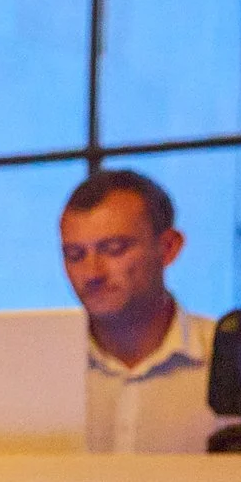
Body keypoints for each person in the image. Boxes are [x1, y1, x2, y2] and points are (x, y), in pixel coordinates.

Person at [60, 168, 224, 453]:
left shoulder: (231, 359)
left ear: (168, 247)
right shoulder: (45, 370)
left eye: (113, 249)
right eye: (75, 255)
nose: (92, 273)